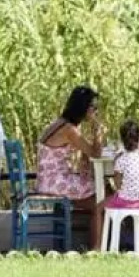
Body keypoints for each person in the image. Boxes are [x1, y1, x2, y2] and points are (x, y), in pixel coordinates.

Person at [36, 85, 105, 250]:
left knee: (102, 190)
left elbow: (85, 155)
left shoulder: (60, 123)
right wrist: (98, 131)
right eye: (93, 107)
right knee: (100, 200)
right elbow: (95, 153)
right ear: (83, 107)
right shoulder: (69, 129)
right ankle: (96, 248)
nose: (95, 112)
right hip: (54, 182)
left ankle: (98, 245)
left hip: (49, 179)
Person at [105, 120, 139, 249]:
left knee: (101, 206)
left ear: (122, 141)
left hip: (126, 201)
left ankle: (107, 244)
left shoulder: (120, 160)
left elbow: (117, 185)